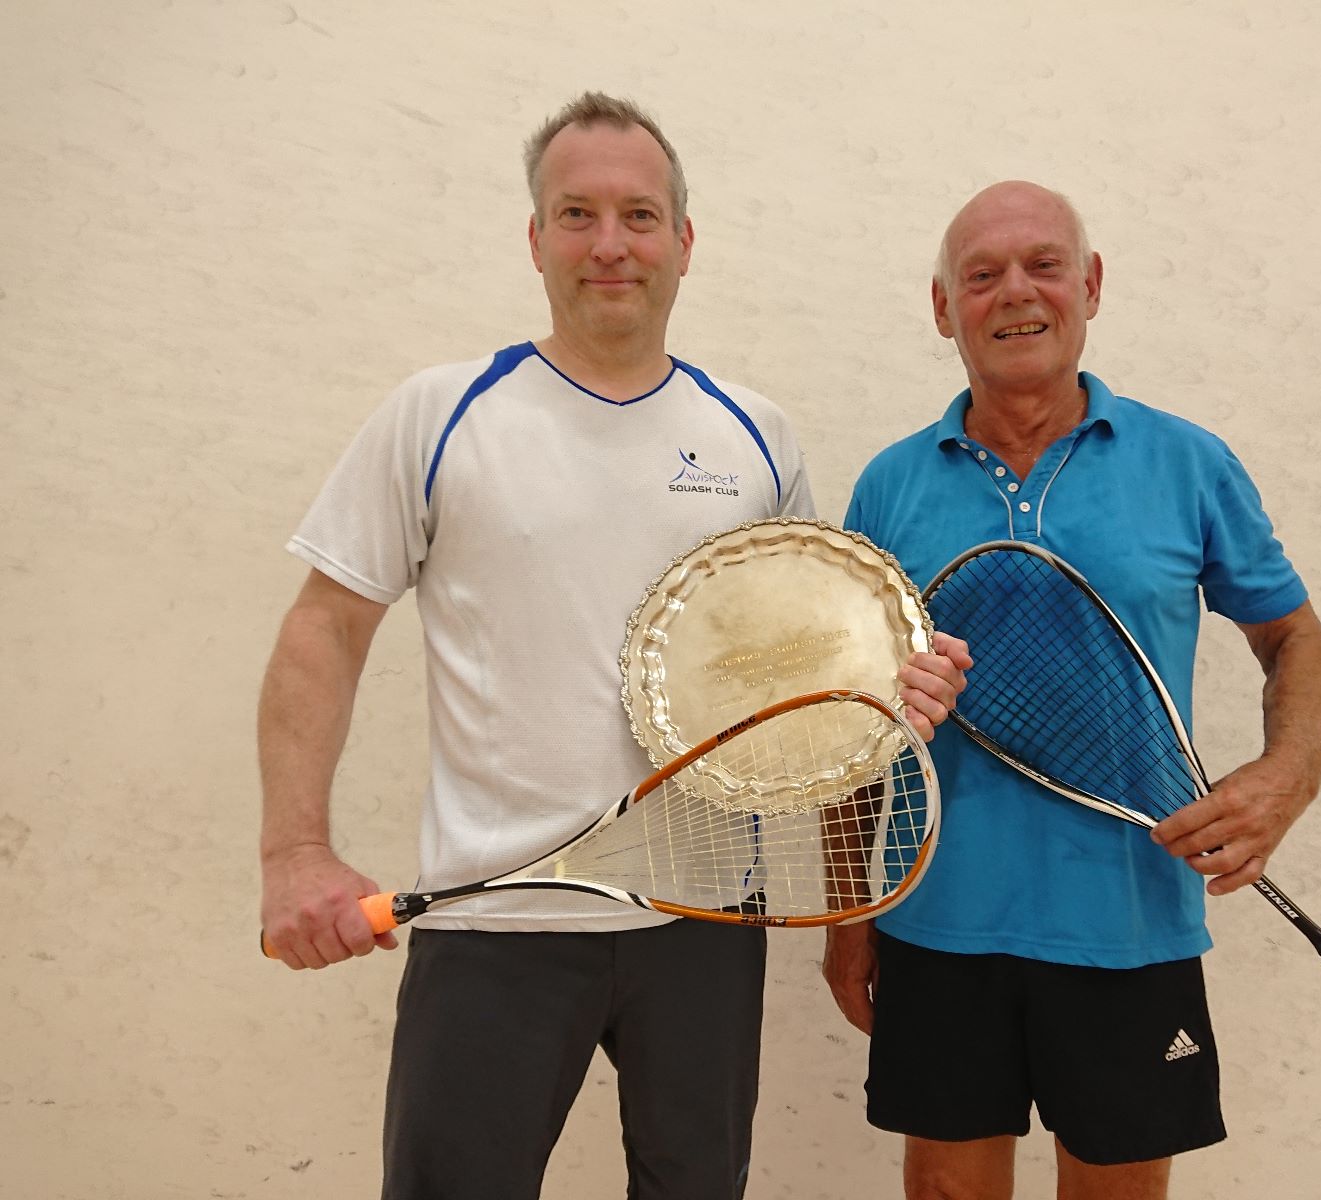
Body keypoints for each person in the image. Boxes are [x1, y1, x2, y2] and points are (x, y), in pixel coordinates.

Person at [257, 91, 968, 1200]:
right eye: (575, 214)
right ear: (533, 238)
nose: (608, 244)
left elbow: (808, 674)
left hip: (701, 919)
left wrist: (894, 687)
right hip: (494, 915)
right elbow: (325, 626)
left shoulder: (754, 434)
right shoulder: (441, 413)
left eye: (638, 215)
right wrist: (293, 853)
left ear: (684, 241)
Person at [823, 181, 1321, 1200]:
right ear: (943, 310)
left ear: (1090, 286)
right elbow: (854, 720)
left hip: (1126, 924)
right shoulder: (888, 485)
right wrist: (852, 913)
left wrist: (1288, 776)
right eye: (980, 275)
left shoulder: (1188, 464)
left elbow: (1296, 642)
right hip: (935, 922)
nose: (1014, 292)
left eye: (1043, 265)